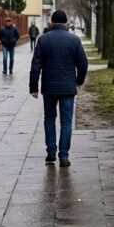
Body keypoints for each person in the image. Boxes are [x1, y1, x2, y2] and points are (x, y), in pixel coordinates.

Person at [29, 9, 88, 167]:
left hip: (49, 87)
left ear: (52, 23)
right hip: (68, 87)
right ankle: (64, 156)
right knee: (66, 122)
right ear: (66, 23)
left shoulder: (43, 40)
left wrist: (33, 87)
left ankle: (50, 151)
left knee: (49, 118)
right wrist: (79, 81)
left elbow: (36, 65)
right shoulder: (74, 40)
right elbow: (83, 64)